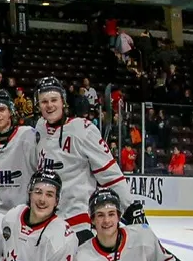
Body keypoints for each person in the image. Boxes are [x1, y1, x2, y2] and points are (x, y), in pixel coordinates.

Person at [34, 76, 141, 242]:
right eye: (44, 101)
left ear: (63, 101)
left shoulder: (83, 130)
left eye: (54, 100)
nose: (49, 105)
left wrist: (129, 206)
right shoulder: (39, 128)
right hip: (46, 223)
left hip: (76, 223)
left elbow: (109, 173)